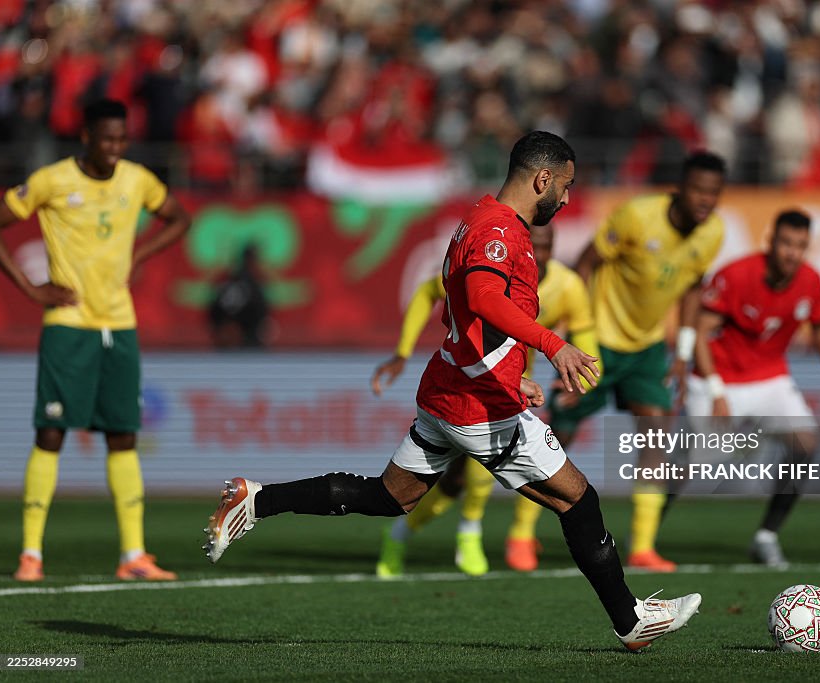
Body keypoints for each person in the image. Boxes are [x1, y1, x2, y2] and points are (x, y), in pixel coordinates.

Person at [204, 131, 701, 651]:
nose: (568, 199)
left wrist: (512, 373)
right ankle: (630, 620)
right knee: (577, 499)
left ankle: (256, 500)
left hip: (451, 389)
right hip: (477, 408)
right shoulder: (499, 232)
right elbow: (482, 298)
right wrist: (553, 346)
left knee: (389, 496)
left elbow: (459, 316)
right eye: (567, 187)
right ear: (542, 179)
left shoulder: (478, 218)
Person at [0, 99, 191, 582]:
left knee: (124, 435)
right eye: (107, 139)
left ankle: (133, 555)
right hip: (68, 325)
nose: (116, 148)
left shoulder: (136, 179)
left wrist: (141, 254)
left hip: (119, 325)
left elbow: (180, 218)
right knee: (52, 432)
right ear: (86, 137)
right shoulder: (52, 180)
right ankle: (32, 555)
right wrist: (29, 287)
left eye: (122, 139)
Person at [371, 222, 600, 576]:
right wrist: (403, 352)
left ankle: (482, 535)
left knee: (470, 478)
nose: (538, 255)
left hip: (512, 387)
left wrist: (576, 381)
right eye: (533, 246)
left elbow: (585, 338)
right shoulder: (492, 274)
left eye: (546, 248)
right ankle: (442, 533)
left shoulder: (567, 287)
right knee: (452, 482)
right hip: (462, 386)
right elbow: (426, 294)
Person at [559, 152, 727, 571]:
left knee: (656, 435)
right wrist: (574, 335)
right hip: (599, 340)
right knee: (559, 430)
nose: (706, 200)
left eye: (714, 193)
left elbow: (692, 290)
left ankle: (643, 546)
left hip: (649, 348)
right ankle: (522, 534)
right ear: (681, 189)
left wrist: (684, 354)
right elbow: (584, 264)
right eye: (699, 190)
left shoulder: (712, 233)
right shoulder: (636, 216)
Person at [684, 209, 820, 566]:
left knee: (805, 442)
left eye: (801, 246)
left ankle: (766, 536)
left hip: (769, 378)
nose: (792, 253)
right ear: (771, 242)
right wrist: (716, 391)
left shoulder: (810, 281)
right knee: (687, 464)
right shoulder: (737, 275)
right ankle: (643, 539)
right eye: (786, 243)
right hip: (720, 379)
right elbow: (700, 330)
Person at [208, 244, 270, 348]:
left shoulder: (228, 282)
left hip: (227, 347)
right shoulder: (252, 287)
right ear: (251, 261)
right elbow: (260, 316)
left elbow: (214, 312)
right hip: (246, 346)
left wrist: (220, 327)